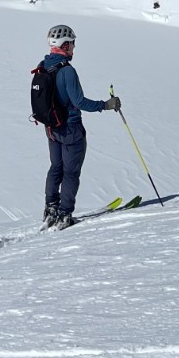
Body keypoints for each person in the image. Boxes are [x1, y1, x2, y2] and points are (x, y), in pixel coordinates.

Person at [39, 23, 119, 228]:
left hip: (51, 128)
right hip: (71, 129)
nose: (74, 48)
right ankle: (65, 213)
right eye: (72, 44)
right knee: (71, 172)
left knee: (56, 167)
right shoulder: (67, 71)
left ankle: (51, 208)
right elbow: (79, 102)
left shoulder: (43, 65)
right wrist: (106, 105)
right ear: (64, 45)